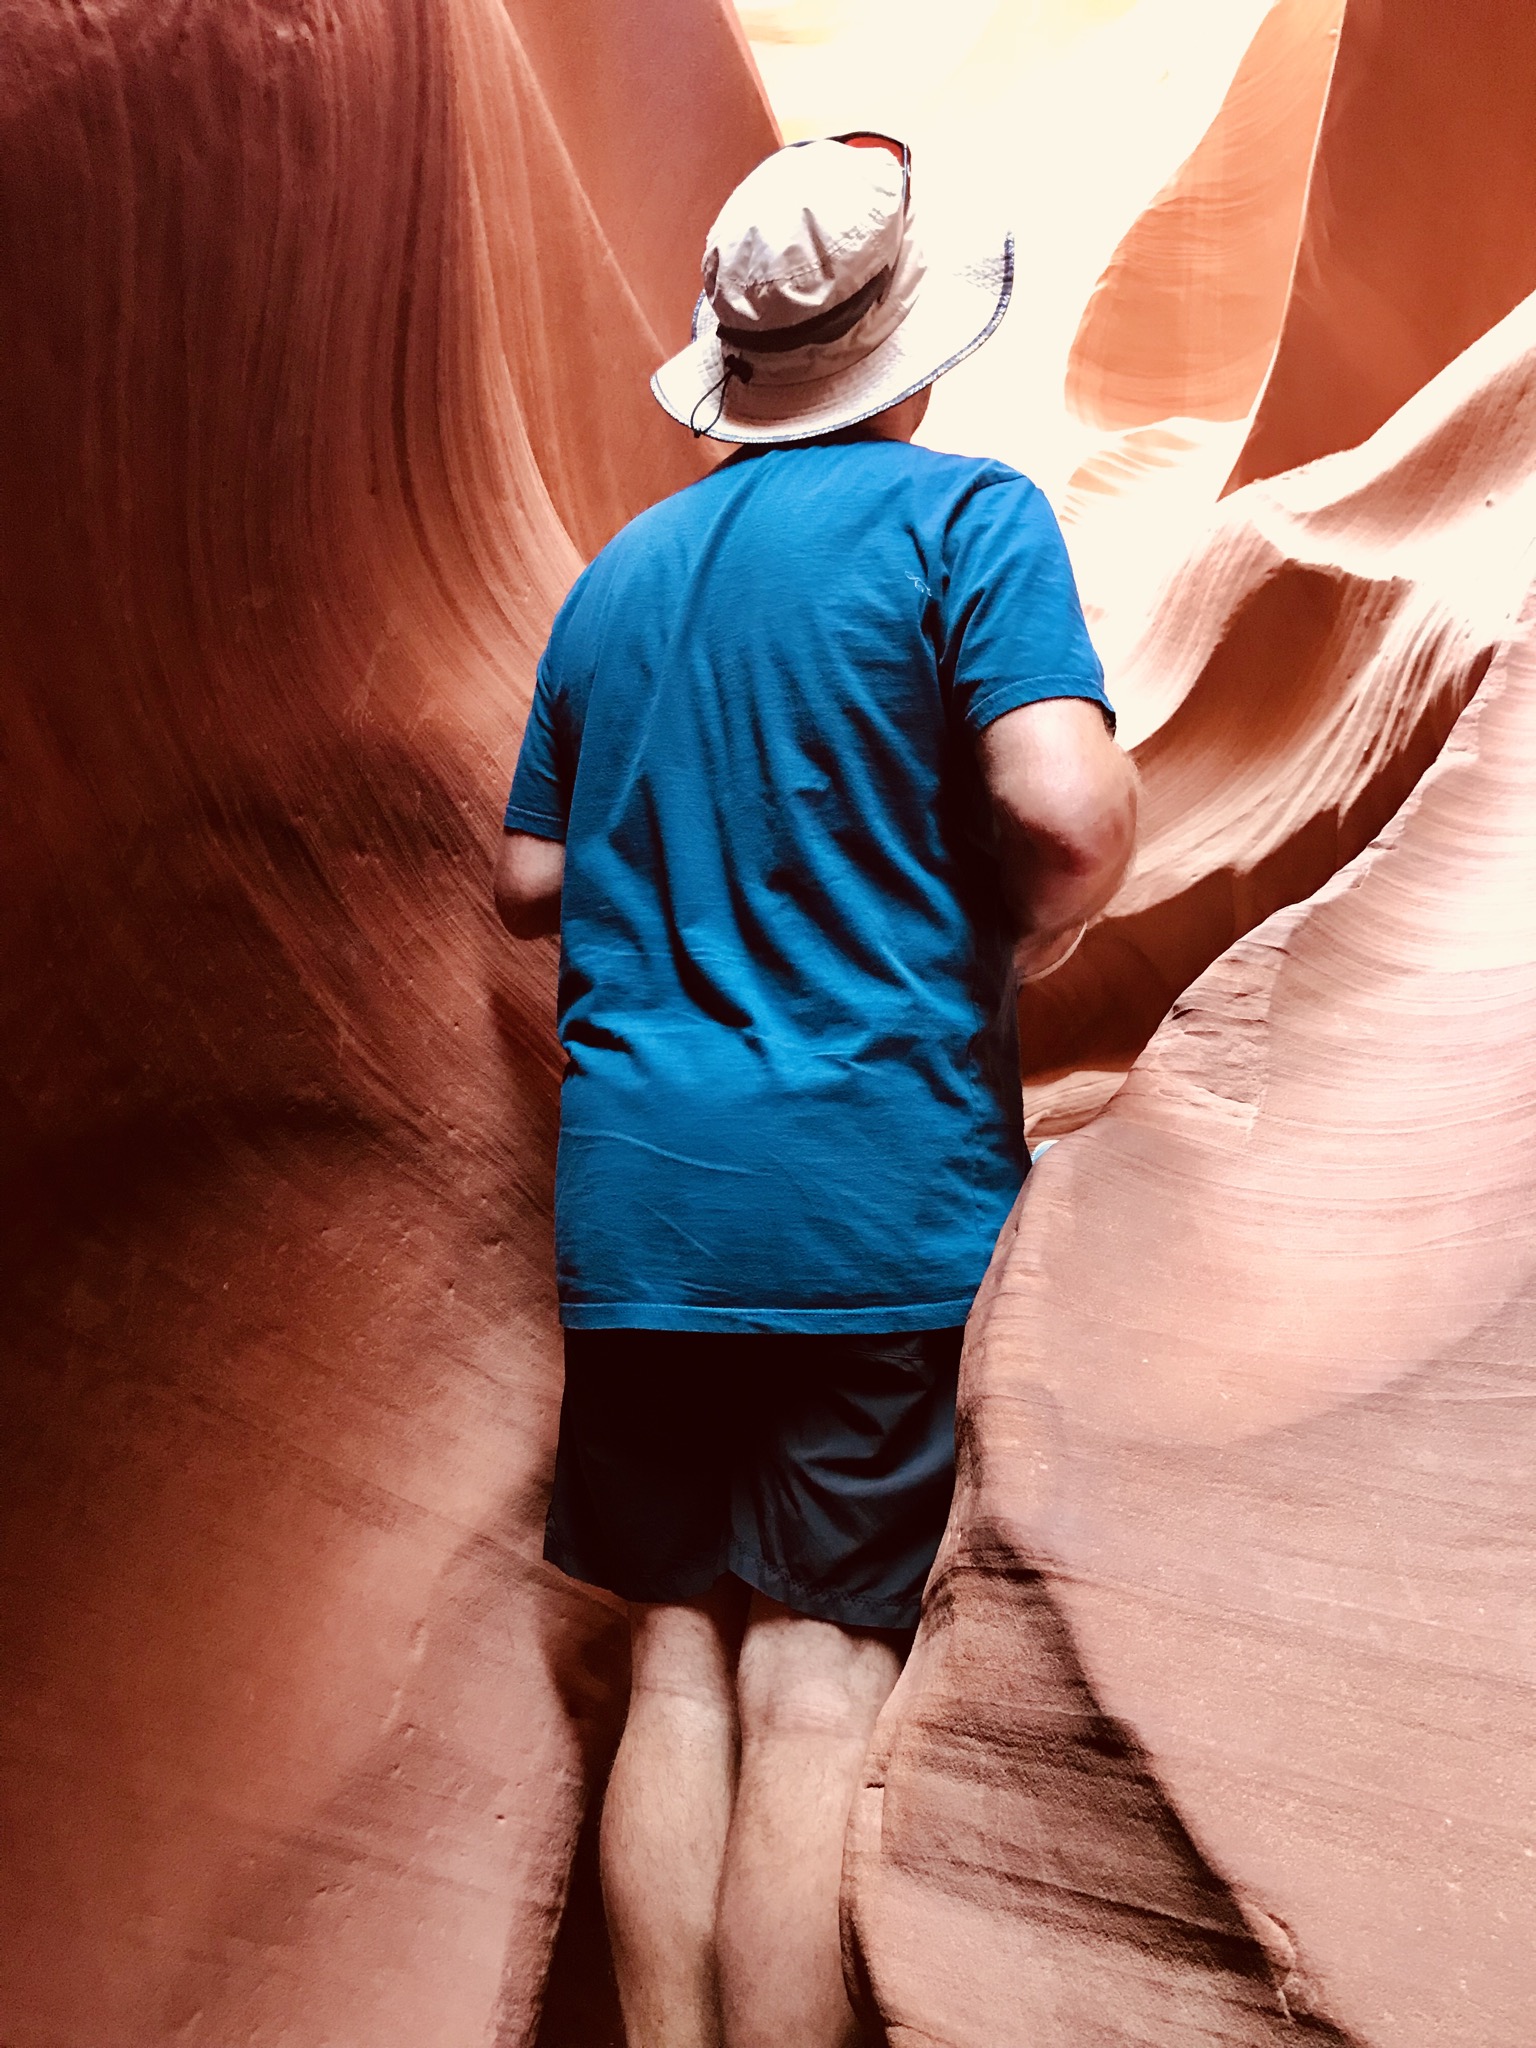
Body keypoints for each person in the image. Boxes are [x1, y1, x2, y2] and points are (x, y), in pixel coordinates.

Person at [495, 133, 1137, 2048]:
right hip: (867, 1200)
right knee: (815, 1687)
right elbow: (1066, 807)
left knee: (676, 1667)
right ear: (904, 349)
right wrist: (1018, 938)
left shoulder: (618, 578)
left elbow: (525, 878)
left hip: (639, 1207)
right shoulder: (967, 522)